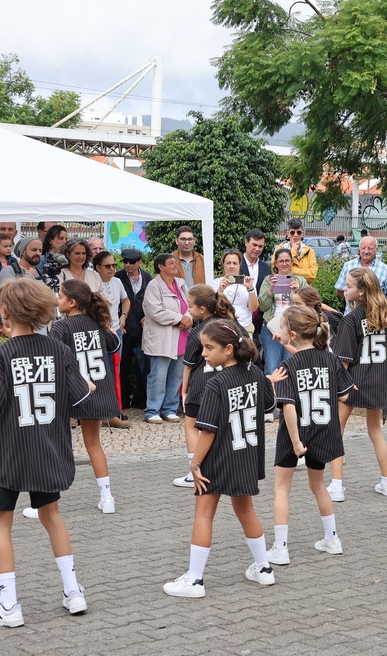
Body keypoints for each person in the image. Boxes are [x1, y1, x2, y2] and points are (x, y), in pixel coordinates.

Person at [0, 279, 93, 628]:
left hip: (9, 453)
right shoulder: (58, 350)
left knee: (0, 523)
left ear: (5, 312)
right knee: (52, 516)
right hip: (49, 450)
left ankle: (9, 604)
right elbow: (83, 397)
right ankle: (73, 592)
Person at [163, 320, 278, 597]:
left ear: (228, 349)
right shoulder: (257, 375)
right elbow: (269, 405)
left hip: (218, 458)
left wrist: (194, 464)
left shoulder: (215, 384)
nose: (203, 353)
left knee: (203, 514)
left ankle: (195, 579)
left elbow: (208, 432)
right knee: (245, 510)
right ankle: (264, 569)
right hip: (247, 455)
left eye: (208, 347)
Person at [266, 306, 353, 566]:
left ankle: (280, 548)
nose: (279, 332)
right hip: (323, 429)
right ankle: (332, 538)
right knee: (318, 485)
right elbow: (346, 395)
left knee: (282, 488)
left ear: (291, 334)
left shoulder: (288, 365)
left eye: (281, 327)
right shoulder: (330, 358)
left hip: (296, 433)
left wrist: (294, 441)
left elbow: (288, 405)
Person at [50, 280, 121, 515]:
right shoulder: (96, 323)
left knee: (58, 446)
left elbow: (56, 360)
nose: (56, 300)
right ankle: (107, 497)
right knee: (94, 444)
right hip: (99, 390)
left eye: (59, 296)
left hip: (72, 391)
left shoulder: (61, 327)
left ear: (71, 303)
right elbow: (114, 344)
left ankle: (45, 503)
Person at [329, 267, 387, 501]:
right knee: (376, 431)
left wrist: (336, 389)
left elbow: (343, 362)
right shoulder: (385, 317)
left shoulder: (351, 320)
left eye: (348, 286)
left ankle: (336, 486)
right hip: (377, 380)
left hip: (352, 382)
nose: (344, 289)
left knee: (337, 430)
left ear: (361, 291)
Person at [173, 285, 244, 488]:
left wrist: (184, 392)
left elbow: (187, 366)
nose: (188, 310)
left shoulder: (198, 331)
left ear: (202, 309)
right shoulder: (232, 325)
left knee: (192, 425)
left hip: (201, 384)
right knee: (221, 425)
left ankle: (194, 471)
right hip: (229, 382)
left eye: (191, 306)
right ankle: (223, 467)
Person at [142, 254, 192, 424]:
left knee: (177, 375)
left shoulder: (181, 284)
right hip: (162, 338)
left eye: (175, 262)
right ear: (160, 267)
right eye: (170, 263)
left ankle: (170, 409)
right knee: (158, 375)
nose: (174, 265)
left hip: (182, 336)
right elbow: (155, 311)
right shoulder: (153, 286)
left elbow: (190, 305)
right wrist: (180, 318)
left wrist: (188, 317)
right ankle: (152, 410)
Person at [92, 251, 130, 430]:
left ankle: (114, 410)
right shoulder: (94, 282)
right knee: (101, 372)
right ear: (98, 267)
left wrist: (124, 316)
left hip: (115, 331)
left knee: (115, 371)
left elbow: (126, 300)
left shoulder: (118, 281)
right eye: (108, 266)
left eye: (114, 265)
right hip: (99, 332)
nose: (112, 269)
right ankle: (101, 411)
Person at [258, 248, 307, 385]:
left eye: (287, 260)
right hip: (272, 327)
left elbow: (308, 305)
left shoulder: (300, 280)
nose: (284, 264)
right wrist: (271, 290)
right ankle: (272, 404)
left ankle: (288, 403)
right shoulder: (268, 280)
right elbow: (262, 306)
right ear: (275, 264)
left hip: (294, 328)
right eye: (281, 261)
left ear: (292, 263)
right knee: (271, 367)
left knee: (291, 366)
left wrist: (298, 291)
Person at [116, 249, 151, 409]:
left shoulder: (147, 277)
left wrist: (149, 317)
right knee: (122, 367)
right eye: (125, 262)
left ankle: (140, 398)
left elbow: (152, 299)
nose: (127, 265)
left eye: (131, 262)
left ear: (139, 262)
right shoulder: (118, 277)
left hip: (142, 329)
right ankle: (122, 398)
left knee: (143, 366)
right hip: (124, 328)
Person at [334, 235, 387, 312]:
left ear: (376, 250)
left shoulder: (385, 270)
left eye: (370, 248)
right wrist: (352, 300)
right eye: (363, 248)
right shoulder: (348, 265)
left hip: (374, 317)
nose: (366, 251)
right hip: (351, 315)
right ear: (359, 249)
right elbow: (339, 289)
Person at [211, 249, 258, 334]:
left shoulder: (247, 282)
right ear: (223, 264)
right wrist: (220, 290)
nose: (231, 266)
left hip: (244, 327)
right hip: (223, 327)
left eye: (235, 263)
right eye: (228, 263)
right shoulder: (216, 283)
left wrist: (250, 289)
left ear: (239, 265)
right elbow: (212, 308)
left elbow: (253, 308)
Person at [242, 229, 271, 336]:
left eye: (260, 246)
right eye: (254, 245)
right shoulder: (235, 265)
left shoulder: (266, 268)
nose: (257, 249)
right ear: (246, 243)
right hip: (240, 317)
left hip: (259, 318)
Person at [273, 219, 318, 283]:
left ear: (302, 234)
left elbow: (312, 276)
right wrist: (293, 251)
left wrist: (288, 269)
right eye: (292, 232)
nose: (296, 235)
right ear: (288, 233)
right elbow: (276, 270)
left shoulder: (309, 251)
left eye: (299, 232)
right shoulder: (279, 249)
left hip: (304, 290)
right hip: (284, 288)